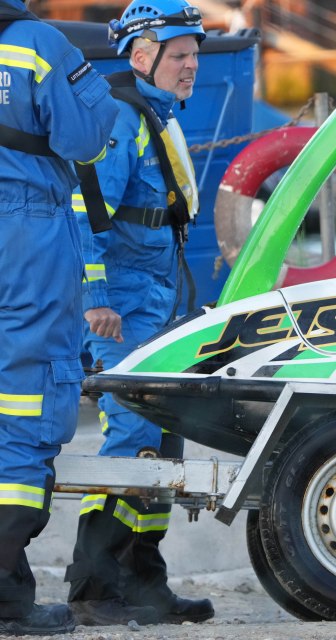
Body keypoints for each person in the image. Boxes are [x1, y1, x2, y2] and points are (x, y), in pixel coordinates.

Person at [64, 0, 213, 626]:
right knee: (129, 436)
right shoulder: (123, 119)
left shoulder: (158, 113)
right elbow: (86, 212)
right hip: (122, 305)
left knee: (160, 439)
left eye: (195, 57)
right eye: (180, 56)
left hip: (157, 298)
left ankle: (144, 583)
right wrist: (96, 299)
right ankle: (95, 587)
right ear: (142, 55)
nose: (191, 67)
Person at [0, 1, 119, 635]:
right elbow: (85, 138)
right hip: (24, 230)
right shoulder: (35, 43)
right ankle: (3, 595)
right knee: (27, 394)